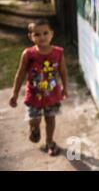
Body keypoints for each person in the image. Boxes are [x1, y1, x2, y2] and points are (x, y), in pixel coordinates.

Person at [9, 20, 69, 156]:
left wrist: (65, 88)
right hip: (33, 95)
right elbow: (20, 74)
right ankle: (34, 128)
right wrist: (15, 93)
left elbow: (63, 71)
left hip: (52, 94)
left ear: (52, 34)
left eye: (45, 33)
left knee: (50, 118)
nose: (42, 37)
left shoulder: (58, 53)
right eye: (37, 34)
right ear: (31, 37)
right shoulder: (28, 54)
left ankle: (50, 142)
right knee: (35, 119)